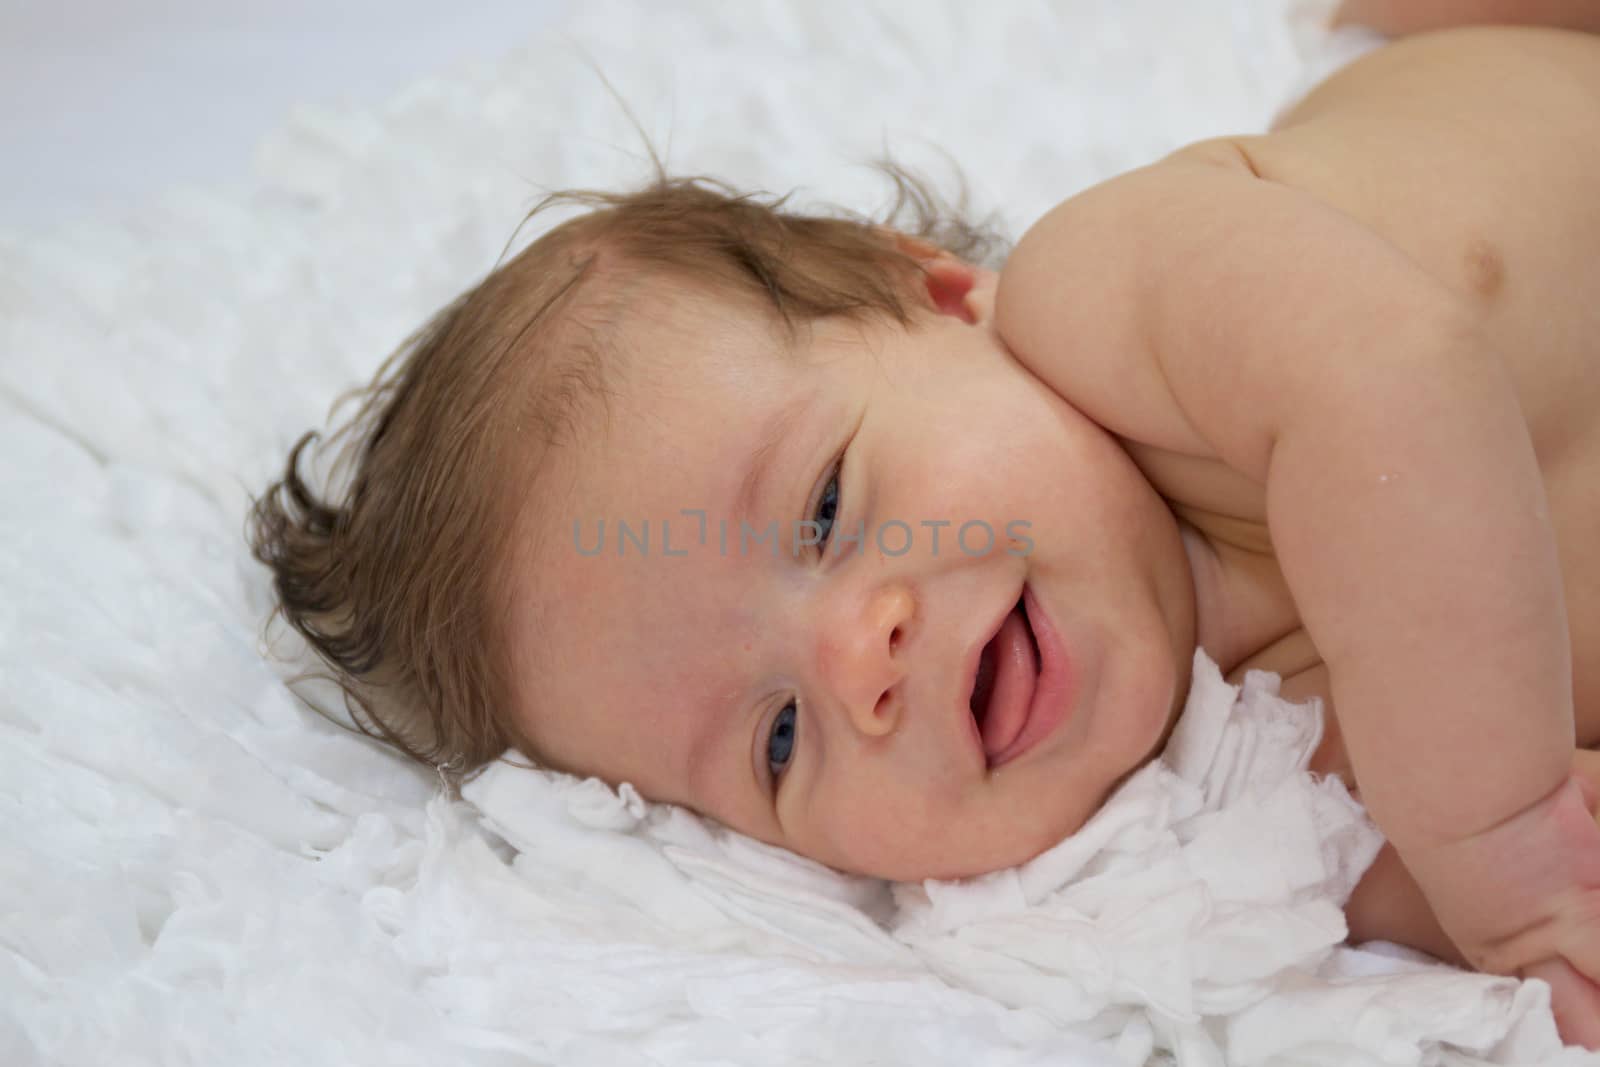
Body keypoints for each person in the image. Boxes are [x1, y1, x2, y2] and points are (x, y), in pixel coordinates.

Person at [250, 4, 1600, 1047]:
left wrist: (1500, 853)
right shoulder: (1248, 815)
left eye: (828, 506)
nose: (860, 659)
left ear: (945, 298)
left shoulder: (1111, 296)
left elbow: (1400, 379)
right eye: (778, 739)